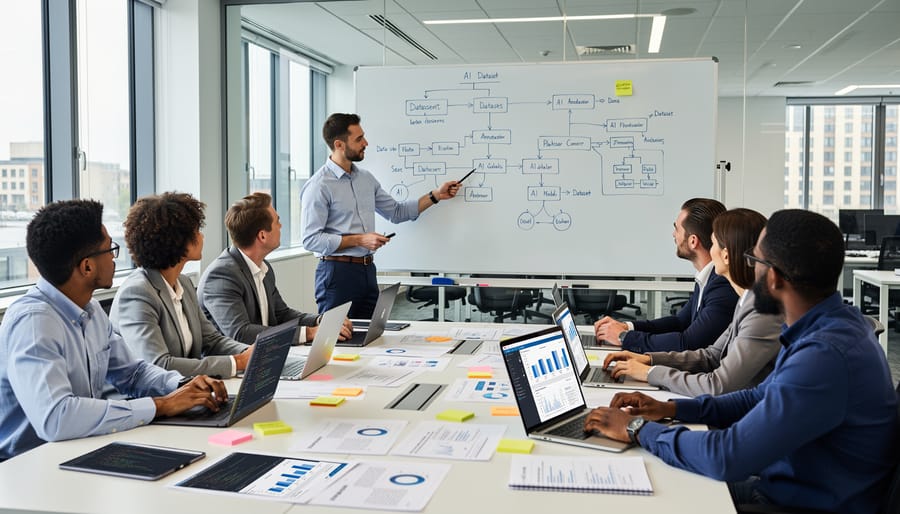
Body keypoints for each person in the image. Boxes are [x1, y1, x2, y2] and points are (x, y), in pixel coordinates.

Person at [584, 209, 898, 513]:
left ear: (773, 278)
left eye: (754, 260)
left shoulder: (823, 355)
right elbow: (758, 396)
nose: (747, 269)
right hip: (792, 483)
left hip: (800, 501)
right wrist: (672, 409)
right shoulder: (825, 325)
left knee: (651, 495)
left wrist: (638, 428)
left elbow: (727, 456)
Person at [0, 200, 226, 460]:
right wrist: (160, 405)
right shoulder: (33, 323)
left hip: (80, 450)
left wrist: (183, 385)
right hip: (28, 467)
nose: (114, 258)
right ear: (87, 267)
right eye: (110, 250)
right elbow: (56, 418)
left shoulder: (91, 310)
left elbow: (133, 373)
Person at [602, 208, 782, 396]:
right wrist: (649, 360)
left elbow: (717, 385)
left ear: (726, 256)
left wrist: (650, 373)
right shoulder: (746, 299)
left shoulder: (761, 311)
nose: (710, 252)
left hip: (741, 414)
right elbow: (711, 356)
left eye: (712, 244)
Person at [300, 113, 461, 319]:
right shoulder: (319, 186)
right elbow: (311, 239)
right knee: (337, 340)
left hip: (367, 271)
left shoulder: (366, 179)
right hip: (336, 273)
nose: (365, 143)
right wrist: (360, 239)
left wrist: (436, 195)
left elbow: (397, 212)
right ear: (339, 144)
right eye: (358, 139)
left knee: (370, 337)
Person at [110, 192, 251, 378]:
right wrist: (237, 362)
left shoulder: (182, 282)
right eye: (196, 231)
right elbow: (159, 365)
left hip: (186, 391)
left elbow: (211, 340)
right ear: (178, 241)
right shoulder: (137, 293)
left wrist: (253, 352)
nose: (201, 236)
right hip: (147, 401)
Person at [197, 192, 352, 345]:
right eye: (277, 221)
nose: (281, 225)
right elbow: (241, 333)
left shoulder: (263, 267)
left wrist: (320, 320)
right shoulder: (221, 276)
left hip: (266, 356)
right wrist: (309, 333)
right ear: (262, 236)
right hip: (238, 365)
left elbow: (282, 314)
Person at [595, 198, 737, 353]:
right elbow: (679, 322)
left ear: (693, 241)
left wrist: (624, 337)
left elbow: (688, 343)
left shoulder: (722, 285)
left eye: (676, 229)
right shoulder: (707, 278)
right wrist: (627, 327)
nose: (673, 234)